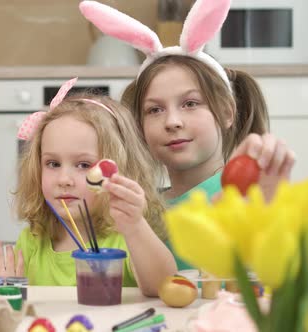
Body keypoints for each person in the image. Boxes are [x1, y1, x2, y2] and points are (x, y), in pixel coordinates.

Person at [80, 0, 295, 270]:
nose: (172, 121)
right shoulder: (142, 205)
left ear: (227, 112)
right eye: (155, 109)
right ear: (139, 127)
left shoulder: (246, 193)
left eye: (190, 104)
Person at [0, 78, 177, 296]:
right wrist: (2, 288)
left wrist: (135, 226)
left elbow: (165, 287)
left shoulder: (125, 237)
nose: (64, 179)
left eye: (84, 165)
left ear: (118, 172)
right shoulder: (32, 240)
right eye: (53, 164)